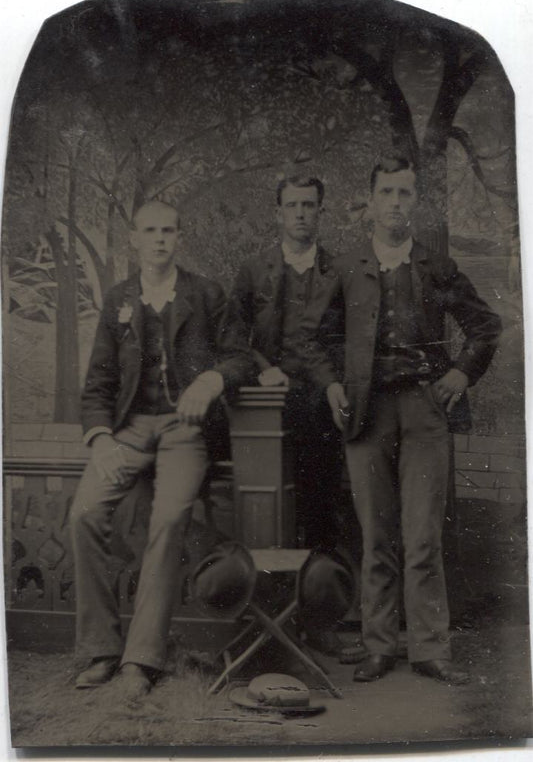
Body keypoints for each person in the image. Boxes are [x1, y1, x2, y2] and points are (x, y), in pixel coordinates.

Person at [298, 155, 501, 684]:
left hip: (424, 410)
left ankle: (430, 649)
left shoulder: (437, 267)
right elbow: (310, 340)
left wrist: (460, 375)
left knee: (424, 535)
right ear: (370, 202)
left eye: (404, 194)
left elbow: (485, 327)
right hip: (366, 413)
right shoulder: (346, 268)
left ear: (416, 202)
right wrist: (333, 384)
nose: (394, 203)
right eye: (386, 193)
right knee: (377, 534)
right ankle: (380, 646)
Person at [70, 200, 252, 700]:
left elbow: (242, 357)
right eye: (149, 231)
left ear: (180, 237)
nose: (159, 240)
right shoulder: (119, 300)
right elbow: (97, 385)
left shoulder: (206, 294)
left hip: (183, 431)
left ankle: (140, 660)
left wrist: (212, 378)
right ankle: (102, 649)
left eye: (168, 231)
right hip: (127, 430)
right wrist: (102, 438)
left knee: (170, 518)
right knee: (85, 513)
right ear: (134, 239)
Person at [222, 176, 346, 654]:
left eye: (309, 205)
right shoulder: (255, 271)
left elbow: (345, 341)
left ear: (320, 213)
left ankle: (320, 623)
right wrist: (264, 367)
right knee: (267, 514)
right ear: (277, 213)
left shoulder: (339, 272)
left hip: (318, 405)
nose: (300, 213)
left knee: (320, 510)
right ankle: (267, 624)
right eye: (291, 205)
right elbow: (233, 339)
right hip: (264, 408)